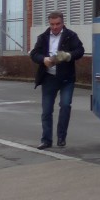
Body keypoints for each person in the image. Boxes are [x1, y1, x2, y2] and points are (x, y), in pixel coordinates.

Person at [29, 10, 86, 150]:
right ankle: (46, 139)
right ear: (49, 23)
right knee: (47, 110)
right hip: (49, 77)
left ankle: (61, 137)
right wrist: (44, 59)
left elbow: (80, 50)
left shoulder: (70, 36)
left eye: (58, 24)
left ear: (62, 22)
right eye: (52, 24)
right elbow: (34, 54)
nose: (55, 27)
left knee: (65, 106)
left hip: (66, 77)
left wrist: (68, 55)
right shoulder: (43, 37)